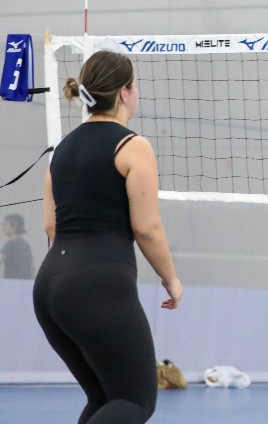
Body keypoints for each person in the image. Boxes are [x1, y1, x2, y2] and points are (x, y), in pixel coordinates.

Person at [34, 50, 183, 423]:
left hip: (50, 285)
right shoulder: (133, 146)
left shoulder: (62, 149)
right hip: (97, 283)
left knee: (105, 398)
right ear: (125, 92)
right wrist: (171, 278)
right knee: (135, 401)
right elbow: (147, 228)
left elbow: (51, 227)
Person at [1, 213, 33, 279]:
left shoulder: (10, 244)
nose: (3, 227)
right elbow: (32, 267)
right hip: (25, 284)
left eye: (5, 224)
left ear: (14, 226)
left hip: (11, 284)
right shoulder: (26, 245)